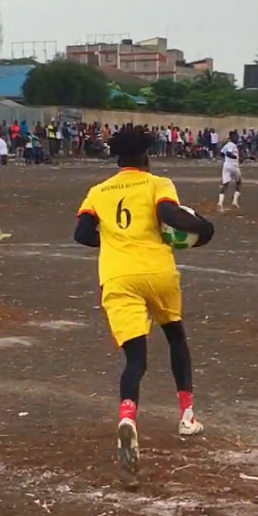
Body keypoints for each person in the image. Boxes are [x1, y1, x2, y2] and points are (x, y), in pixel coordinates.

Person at [74, 126, 213, 478]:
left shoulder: (97, 192)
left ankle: (127, 417)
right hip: (157, 272)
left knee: (135, 359)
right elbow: (170, 217)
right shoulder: (157, 183)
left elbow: (81, 233)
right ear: (145, 156)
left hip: (118, 278)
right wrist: (205, 228)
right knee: (176, 337)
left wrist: (111, 243)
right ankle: (186, 416)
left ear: (118, 158)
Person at [217, 132, 242, 211]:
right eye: (236, 137)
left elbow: (221, 153)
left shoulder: (227, 145)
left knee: (225, 184)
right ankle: (234, 201)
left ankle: (220, 202)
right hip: (234, 166)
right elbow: (228, 153)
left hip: (226, 166)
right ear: (232, 138)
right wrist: (235, 157)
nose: (237, 138)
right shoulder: (232, 145)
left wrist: (227, 158)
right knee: (238, 182)